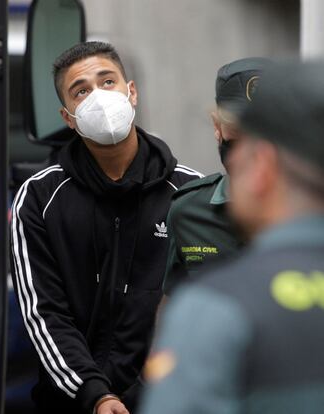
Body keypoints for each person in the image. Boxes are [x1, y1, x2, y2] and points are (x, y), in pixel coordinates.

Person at [10, 41, 202, 414]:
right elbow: (44, 314)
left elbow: (198, 312)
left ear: (131, 92)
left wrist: (145, 394)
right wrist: (96, 395)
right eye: (81, 90)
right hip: (71, 404)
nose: (98, 96)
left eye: (107, 81)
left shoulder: (189, 195)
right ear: (68, 117)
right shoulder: (38, 199)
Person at [139, 59, 324, 414]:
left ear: (263, 165)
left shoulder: (213, 311)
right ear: (217, 127)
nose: (235, 158)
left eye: (250, 146)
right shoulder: (187, 209)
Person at [164, 58, 270, 295]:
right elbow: (176, 305)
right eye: (238, 127)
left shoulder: (312, 213)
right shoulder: (189, 213)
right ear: (217, 126)